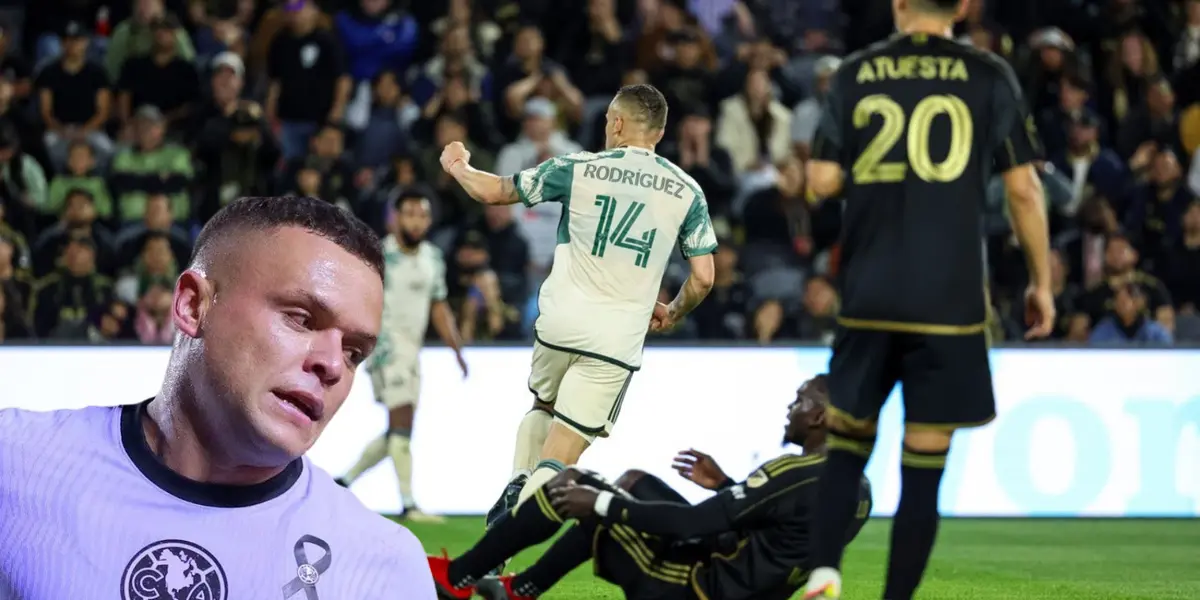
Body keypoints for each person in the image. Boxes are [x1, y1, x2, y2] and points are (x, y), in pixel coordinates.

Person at [0, 196, 435, 599]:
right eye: (302, 319)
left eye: (353, 351)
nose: (333, 365)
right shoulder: (15, 465)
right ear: (193, 306)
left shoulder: (385, 568)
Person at [800, 1, 1055, 599]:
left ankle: (823, 572)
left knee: (846, 445)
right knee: (924, 470)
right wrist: (1042, 281)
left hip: (869, 292)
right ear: (962, 6)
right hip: (950, 301)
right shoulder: (989, 73)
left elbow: (821, 181)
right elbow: (1023, 187)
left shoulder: (856, 72)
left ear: (896, 4)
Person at [438, 84, 718, 534]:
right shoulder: (687, 191)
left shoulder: (578, 167)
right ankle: (507, 533)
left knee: (542, 405)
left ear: (617, 123)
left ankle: (516, 481)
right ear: (661, 133)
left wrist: (457, 164)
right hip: (616, 338)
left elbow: (494, 192)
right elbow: (704, 277)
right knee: (560, 457)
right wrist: (674, 310)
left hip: (560, 322)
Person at [425, 374, 873, 600]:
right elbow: (787, 529)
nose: (790, 408)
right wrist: (725, 485)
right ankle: (518, 588)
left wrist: (599, 502)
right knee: (635, 482)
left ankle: (461, 576)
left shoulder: (793, 474)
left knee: (577, 488)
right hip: (746, 583)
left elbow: (694, 522)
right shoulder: (858, 486)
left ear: (819, 418)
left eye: (800, 401)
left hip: (697, 586)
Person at [336, 189, 468, 523]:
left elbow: (438, 306)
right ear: (395, 218)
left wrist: (457, 351)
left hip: (413, 350)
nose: (416, 221)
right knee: (401, 420)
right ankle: (408, 504)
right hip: (386, 349)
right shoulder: (378, 256)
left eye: (422, 215)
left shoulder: (433, 258)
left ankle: (343, 483)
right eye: (409, 213)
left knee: (400, 429)